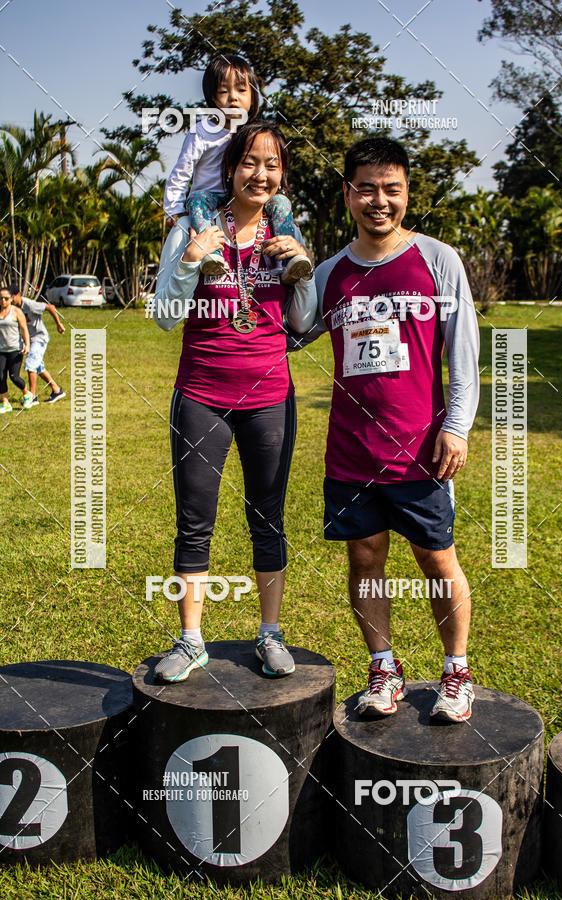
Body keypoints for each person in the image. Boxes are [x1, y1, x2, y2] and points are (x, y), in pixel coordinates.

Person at [292, 138, 480, 722]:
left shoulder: (438, 260)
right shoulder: (330, 272)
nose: (380, 201)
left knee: (437, 560)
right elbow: (292, 332)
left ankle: (456, 673)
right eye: (367, 189)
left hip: (422, 449)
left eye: (391, 189)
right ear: (348, 194)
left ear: (407, 193)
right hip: (351, 451)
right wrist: (277, 268)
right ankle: (383, 669)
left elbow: (464, 353)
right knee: (365, 558)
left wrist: (457, 426)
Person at [152, 121, 316, 683]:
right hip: (201, 395)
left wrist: (301, 270)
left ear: (281, 175)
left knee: (267, 517)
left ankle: (269, 633)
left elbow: (303, 323)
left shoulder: (285, 234)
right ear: (229, 168)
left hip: (269, 398)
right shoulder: (194, 228)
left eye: (272, 165)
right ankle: (191, 640)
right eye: (250, 162)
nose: (260, 174)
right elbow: (164, 315)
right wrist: (191, 259)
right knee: (194, 521)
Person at [163, 53, 312, 283]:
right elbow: (182, 172)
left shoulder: (252, 133)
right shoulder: (202, 132)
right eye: (224, 91)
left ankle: (287, 261)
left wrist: (281, 209)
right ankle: (212, 257)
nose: (233, 97)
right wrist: (175, 210)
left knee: (282, 202)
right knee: (198, 201)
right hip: (210, 198)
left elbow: (271, 169)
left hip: (244, 197)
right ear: (213, 98)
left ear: (253, 97)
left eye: (242, 90)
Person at [10, 284, 66, 405]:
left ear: (18, 295)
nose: (10, 300)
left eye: (12, 297)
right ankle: (56, 390)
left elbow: (51, 307)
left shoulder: (29, 304)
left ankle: (32, 397)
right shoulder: (13, 308)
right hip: (29, 340)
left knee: (30, 365)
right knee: (38, 367)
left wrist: (58, 324)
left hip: (39, 338)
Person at [0, 286, 31, 412]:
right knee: (0, 377)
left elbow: (24, 329)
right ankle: (5, 403)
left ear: (11, 299)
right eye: (0, 298)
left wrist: (27, 345)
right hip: (1, 350)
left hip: (15, 349)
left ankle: (26, 394)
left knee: (14, 376)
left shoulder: (16, 312)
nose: (3, 301)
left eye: (6, 298)